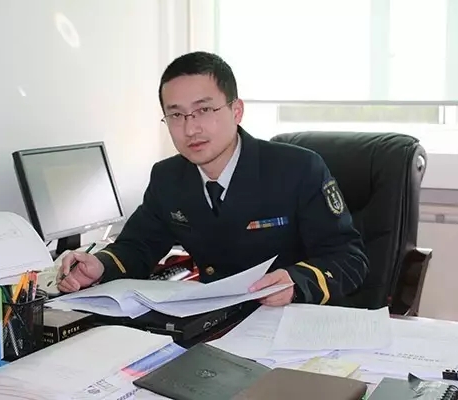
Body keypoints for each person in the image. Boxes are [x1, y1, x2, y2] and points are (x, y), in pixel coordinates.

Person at [56, 51, 369, 307]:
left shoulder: (298, 169)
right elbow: (138, 246)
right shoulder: (168, 178)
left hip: (293, 320)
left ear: (237, 111)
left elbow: (349, 258)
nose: (190, 129)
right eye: (176, 115)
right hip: (216, 324)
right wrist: (100, 265)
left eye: (204, 110)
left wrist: (297, 282)